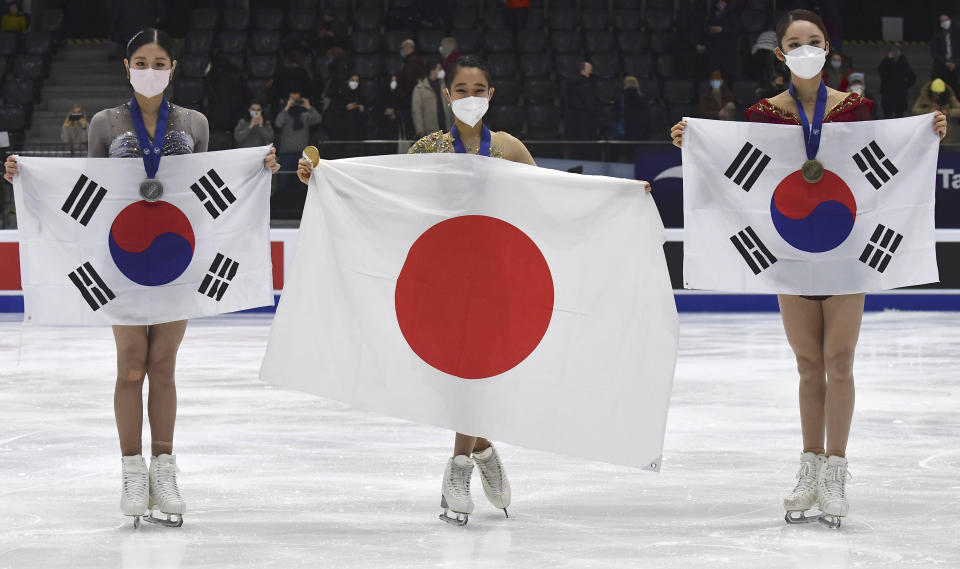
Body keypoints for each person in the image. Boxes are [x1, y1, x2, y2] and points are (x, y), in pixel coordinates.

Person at [294, 55, 652, 526]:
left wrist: (618, 194)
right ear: (447, 96)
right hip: (441, 278)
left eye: (478, 89)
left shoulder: (507, 146)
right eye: (461, 90)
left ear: (491, 95)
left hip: (496, 278)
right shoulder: (427, 149)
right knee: (455, 377)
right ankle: (482, 450)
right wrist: (323, 176)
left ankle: (458, 467)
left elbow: (553, 192)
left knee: (476, 373)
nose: (470, 98)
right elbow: (388, 192)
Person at [670, 9, 947, 529]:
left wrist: (928, 131)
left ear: (828, 47)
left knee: (839, 360)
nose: (805, 48)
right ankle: (809, 464)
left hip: (847, 251)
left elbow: (882, 164)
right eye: (795, 42)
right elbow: (740, 177)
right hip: (789, 252)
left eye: (814, 40)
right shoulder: (762, 115)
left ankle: (836, 470)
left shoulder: (856, 108)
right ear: (780, 53)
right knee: (807, 365)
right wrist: (695, 144)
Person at [4, 27, 281, 529]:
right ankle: (132, 469)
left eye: (159, 63)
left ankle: (165, 466)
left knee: (165, 366)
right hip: (122, 261)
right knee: (131, 367)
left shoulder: (194, 122)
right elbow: (88, 192)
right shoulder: (106, 125)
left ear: (173, 68)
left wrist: (256, 169)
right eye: (141, 61)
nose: (149, 71)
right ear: (126, 66)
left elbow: (205, 188)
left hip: (177, 260)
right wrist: (27, 178)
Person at [275, 91, 320, 191]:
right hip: (286, 154)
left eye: (297, 100)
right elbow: (278, 123)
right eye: (293, 99)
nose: (295, 102)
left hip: (302, 154)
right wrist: (287, 107)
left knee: (304, 183)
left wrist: (308, 106)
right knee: (282, 184)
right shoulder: (285, 114)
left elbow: (318, 119)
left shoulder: (305, 115)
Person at [323, 74, 367, 157]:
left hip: (356, 133)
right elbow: (333, 111)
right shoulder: (340, 94)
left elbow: (366, 114)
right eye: (352, 80)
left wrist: (362, 109)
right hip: (341, 132)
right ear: (347, 81)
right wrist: (345, 108)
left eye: (357, 81)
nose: (354, 83)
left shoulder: (360, 95)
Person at [412, 59, 452, 139]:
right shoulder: (420, 88)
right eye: (439, 69)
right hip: (430, 132)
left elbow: (451, 106)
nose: (442, 71)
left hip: (446, 130)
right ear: (432, 70)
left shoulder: (444, 86)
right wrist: (420, 131)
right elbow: (416, 111)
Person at [913, 78, 960, 143]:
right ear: (931, 91)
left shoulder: (949, 96)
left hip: (947, 130)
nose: (937, 96)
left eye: (940, 94)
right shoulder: (925, 95)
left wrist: (948, 112)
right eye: (935, 94)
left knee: (947, 150)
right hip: (930, 129)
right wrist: (928, 111)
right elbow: (915, 110)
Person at [705, 0, 741, 80]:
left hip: (727, 46)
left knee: (727, 75)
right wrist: (710, 29)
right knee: (715, 74)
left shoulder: (732, 8)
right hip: (714, 45)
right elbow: (707, 25)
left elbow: (736, 28)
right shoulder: (713, 8)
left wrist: (722, 29)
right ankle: (716, 90)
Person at [564, 61, 599, 140]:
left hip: (573, 118)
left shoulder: (570, 83)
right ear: (583, 70)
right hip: (585, 119)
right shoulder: (586, 85)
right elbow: (590, 103)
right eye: (590, 69)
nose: (591, 71)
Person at [878, 46, 916, 118]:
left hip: (899, 94)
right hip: (888, 92)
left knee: (899, 115)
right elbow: (880, 71)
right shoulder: (886, 62)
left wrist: (905, 86)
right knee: (887, 115)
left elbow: (912, 77)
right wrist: (887, 59)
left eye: (897, 51)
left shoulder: (903, 63)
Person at [397, 39, 425, 136]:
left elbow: (409, 81)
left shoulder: (412, 61)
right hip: (410, 97)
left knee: (411, 127)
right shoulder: (411, 60)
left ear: (407, 48)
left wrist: (404, 95)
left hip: (410, 99)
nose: (402, 50)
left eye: (403, 48)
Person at [931, 13, 960, 96]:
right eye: (942, 21)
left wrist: (955, 63)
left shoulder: (957, 34)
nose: (944, 22)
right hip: (941, 68)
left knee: (955, 92)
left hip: (955, 68)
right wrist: (945, 63)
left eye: (946, 20)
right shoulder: (937, 35)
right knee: (941, 93)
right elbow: (934, 52)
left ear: (950, 20)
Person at [618, 76, 649, 140]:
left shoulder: (622, 96)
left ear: (625, 84)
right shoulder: (641, 97)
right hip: (640, 127)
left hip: (626, 127)